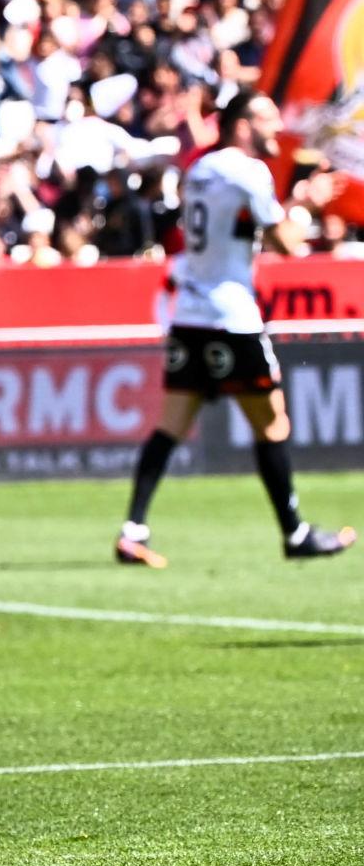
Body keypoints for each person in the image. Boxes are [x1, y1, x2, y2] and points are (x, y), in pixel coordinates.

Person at [118, 92, 355, 567]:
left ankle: (133, 529)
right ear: (242, 124)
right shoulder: (250, 171)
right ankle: (295, 532)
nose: (276, 128)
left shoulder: (203, 169)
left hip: (190, 311)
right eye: (266, 117)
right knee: (272, 423)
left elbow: (240, 230)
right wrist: (304, 204)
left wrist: (287, 204)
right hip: (231, 316)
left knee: (171, 425)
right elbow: (287, 245)